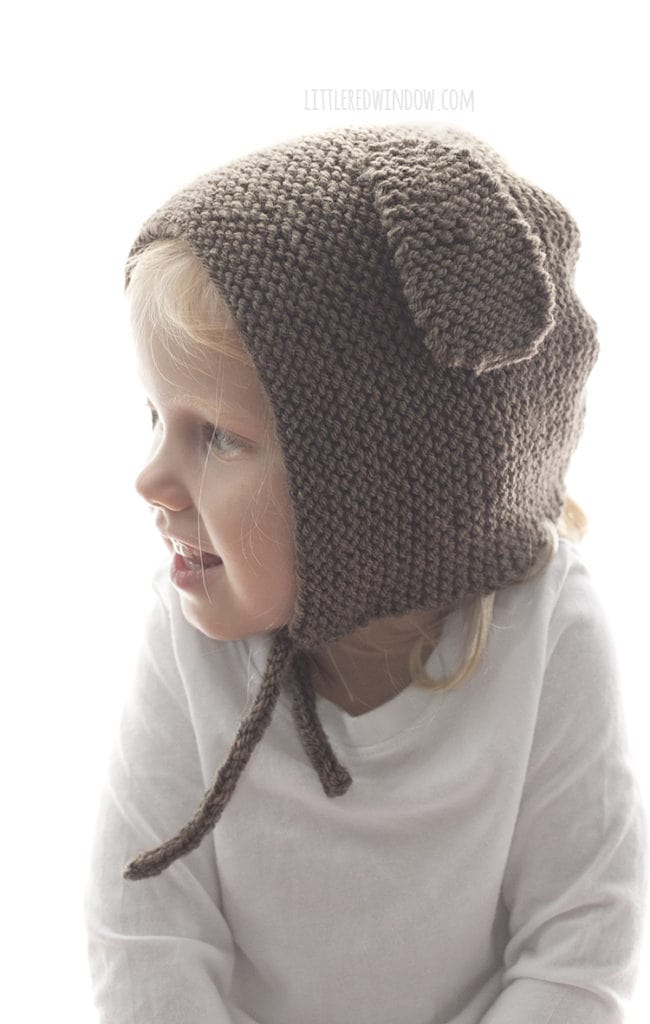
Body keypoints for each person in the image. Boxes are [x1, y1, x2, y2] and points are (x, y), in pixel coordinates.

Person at [83, 123, 648, 1023]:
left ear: (375, 481)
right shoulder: (184, 637)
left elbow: (581, 945)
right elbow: (146, 935)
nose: (149, 479)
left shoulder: (550, 633)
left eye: (217, 436)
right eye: (154, 414)